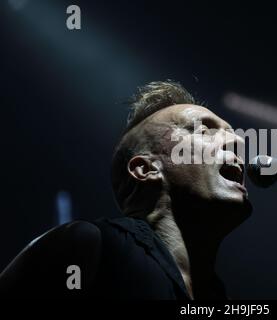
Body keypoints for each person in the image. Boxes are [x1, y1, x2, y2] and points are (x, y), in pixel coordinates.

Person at [0, 81, 252, 299]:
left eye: (232, 134)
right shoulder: (86, 246)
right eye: (204, 130)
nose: (237, 141)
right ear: (146, 169)